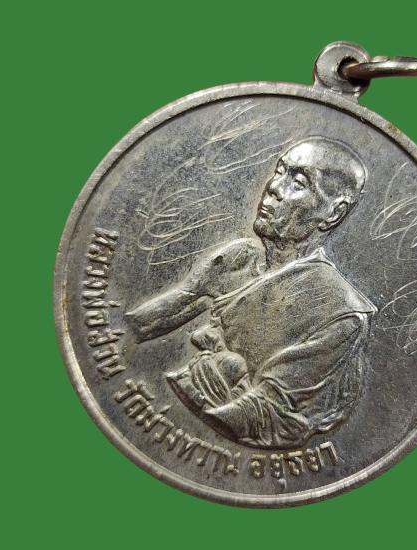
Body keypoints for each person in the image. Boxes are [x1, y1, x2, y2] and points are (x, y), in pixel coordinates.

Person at [126, 136, 376, 449]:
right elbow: (138, 327)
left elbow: (258, 414)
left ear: (333, 213)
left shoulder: (340, 312)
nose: (273, 187)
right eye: (280, 171)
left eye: (298, 182)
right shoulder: (239, 259)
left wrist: (213, 374)